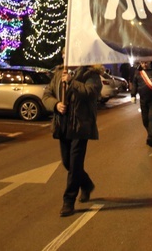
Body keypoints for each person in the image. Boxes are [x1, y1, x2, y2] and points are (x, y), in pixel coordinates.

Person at [42, 64, 103, 217]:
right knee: (67, 162)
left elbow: (91, 92)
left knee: (75, 164)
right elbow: (47, 95)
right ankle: (86, 184)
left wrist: (72, 82)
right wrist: (56, 105)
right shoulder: (58, 73)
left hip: (81, 126)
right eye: (64, 54)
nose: (65, 57)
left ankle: (68, 201)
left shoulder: (90, 74)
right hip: (63, 125)